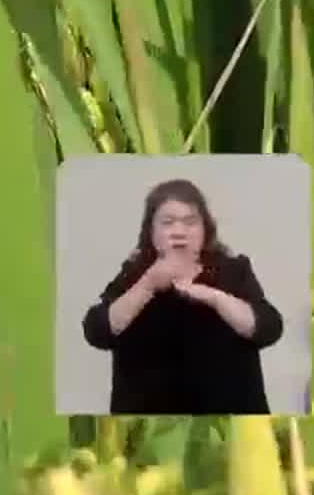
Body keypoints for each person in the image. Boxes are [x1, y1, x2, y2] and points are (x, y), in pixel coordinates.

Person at [82, 177, 284, 414]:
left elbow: (269, 327)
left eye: (190, 222)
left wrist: (213, 297)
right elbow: (97, 331)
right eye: (167, 223)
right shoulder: (134, 274)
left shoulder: (233, 270)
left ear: (205, 229)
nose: (179, 232)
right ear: (151, 232)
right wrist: (148, 285)